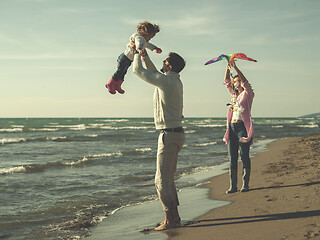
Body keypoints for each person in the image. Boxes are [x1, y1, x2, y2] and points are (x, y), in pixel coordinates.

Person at [133, 50, 186, 230]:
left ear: (169, 66)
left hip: (169, 135)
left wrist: (134, 55)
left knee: (161, 180)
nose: (162, 63)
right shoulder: (173, 81)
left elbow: (138, 72)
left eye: (164, 61)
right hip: (175, 133)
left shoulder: (166, 82)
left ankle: (170, 220)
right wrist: (144, 55)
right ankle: (175, 217)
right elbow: (155, 72)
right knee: (168, 179)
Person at [223, 61, 254, 193]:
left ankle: (245, 184)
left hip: (242, 127)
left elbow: (246, 82)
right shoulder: (233, 95)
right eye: (234, 81)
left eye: (237, 81)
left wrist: (236, 68)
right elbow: (226, 82)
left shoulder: (248, 94)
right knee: (232, 158)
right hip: (232, 128)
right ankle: (233, 186)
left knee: (244, 155)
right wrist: (228, 67)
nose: (235, 83)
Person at [106, 21, 162, 95]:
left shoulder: (144, 40)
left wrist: (155, 48)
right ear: (146, 33)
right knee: (119, 71)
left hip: (129, 59)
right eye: (150, 37)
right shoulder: (138, 37)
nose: (150, 39)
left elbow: (148, 45)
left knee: (123, 72)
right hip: (125, 57)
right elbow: (138, 43)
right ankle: (110, 84)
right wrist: (139, 49)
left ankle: (117, 85)